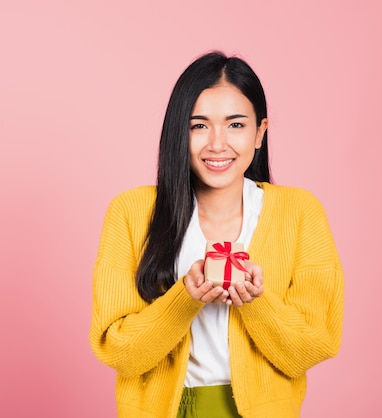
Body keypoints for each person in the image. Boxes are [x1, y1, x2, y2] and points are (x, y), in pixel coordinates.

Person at [89, 51, 344, 418]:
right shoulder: (131, 213)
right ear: (180, 132)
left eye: (236, 125)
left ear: (260, 133)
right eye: (199, 125)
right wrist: (184, 298)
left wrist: (257, 302)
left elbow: (311, 346)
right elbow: (118, 352)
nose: (217, 144)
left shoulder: (300, 212)